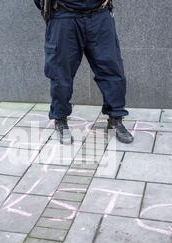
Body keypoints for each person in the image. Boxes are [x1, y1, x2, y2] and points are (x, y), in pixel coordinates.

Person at [34, 0, 134, 145]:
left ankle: (115, 119)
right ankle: (60, 119)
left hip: (100, 15)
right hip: (64, 16)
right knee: (60, 75)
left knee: (112, 71)